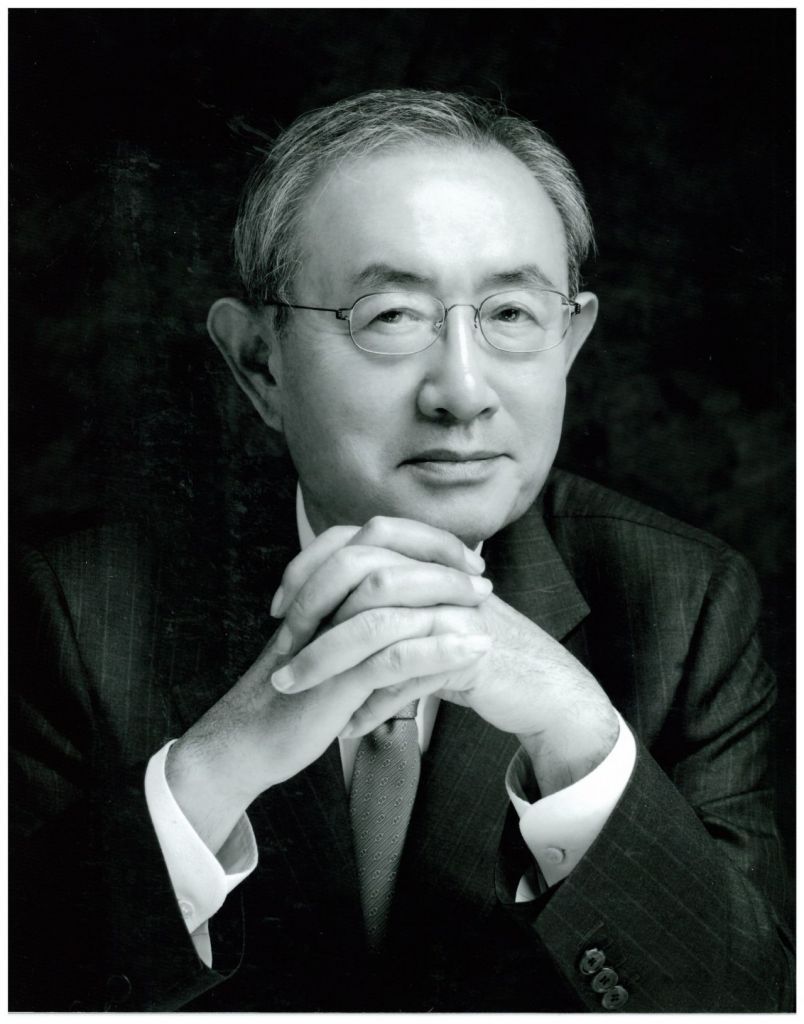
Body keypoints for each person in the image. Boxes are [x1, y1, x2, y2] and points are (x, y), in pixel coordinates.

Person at [10, 89, 793, 1012]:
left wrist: (582, 742)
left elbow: (754, 1001)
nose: (462, 392)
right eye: (389, 316)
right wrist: (212, 773)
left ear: (571, 339)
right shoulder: (75, 606)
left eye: (511, 313)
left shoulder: (687, 602)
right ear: (260, 362)